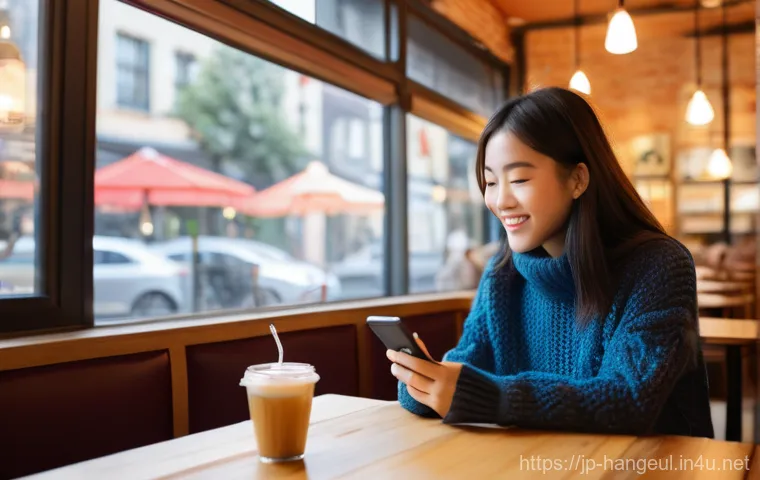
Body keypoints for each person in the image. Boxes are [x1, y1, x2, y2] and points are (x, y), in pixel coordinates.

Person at [387, 87, 714, 437]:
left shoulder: (659, 265)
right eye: (491, 182)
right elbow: (465, 364)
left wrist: (484, 396)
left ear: (577, 179)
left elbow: (628, 399)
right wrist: (423, 383)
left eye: (519, 179)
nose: (501, 200)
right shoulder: (503, 272)